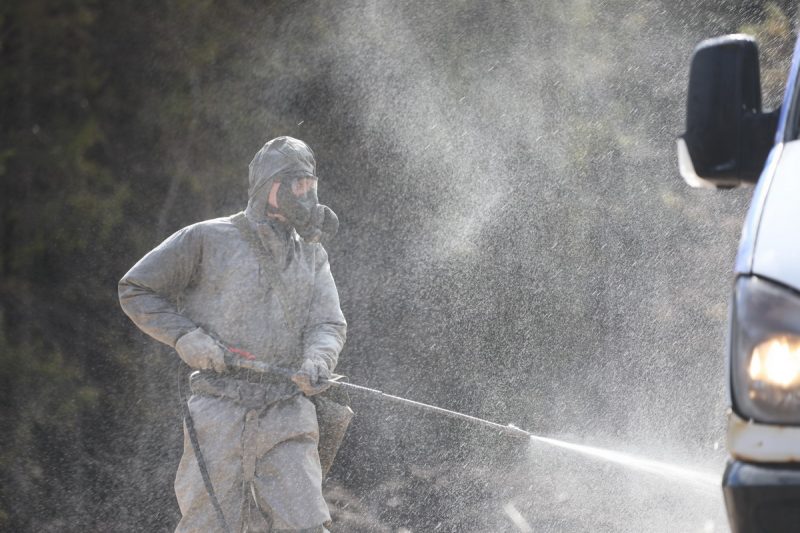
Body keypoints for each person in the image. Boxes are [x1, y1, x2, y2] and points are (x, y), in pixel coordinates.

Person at [118, 137, 346, 532]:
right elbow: (136, 288)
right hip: (217, 411)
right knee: (207, 524)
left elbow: (328, 323)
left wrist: (318, 360)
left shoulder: (312, 254)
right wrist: (186, 338)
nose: (305, 196)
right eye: (296, 185)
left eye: (310, 186)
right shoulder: (206, 238)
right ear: (269, 186)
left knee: (306, 525)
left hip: (286, 408)